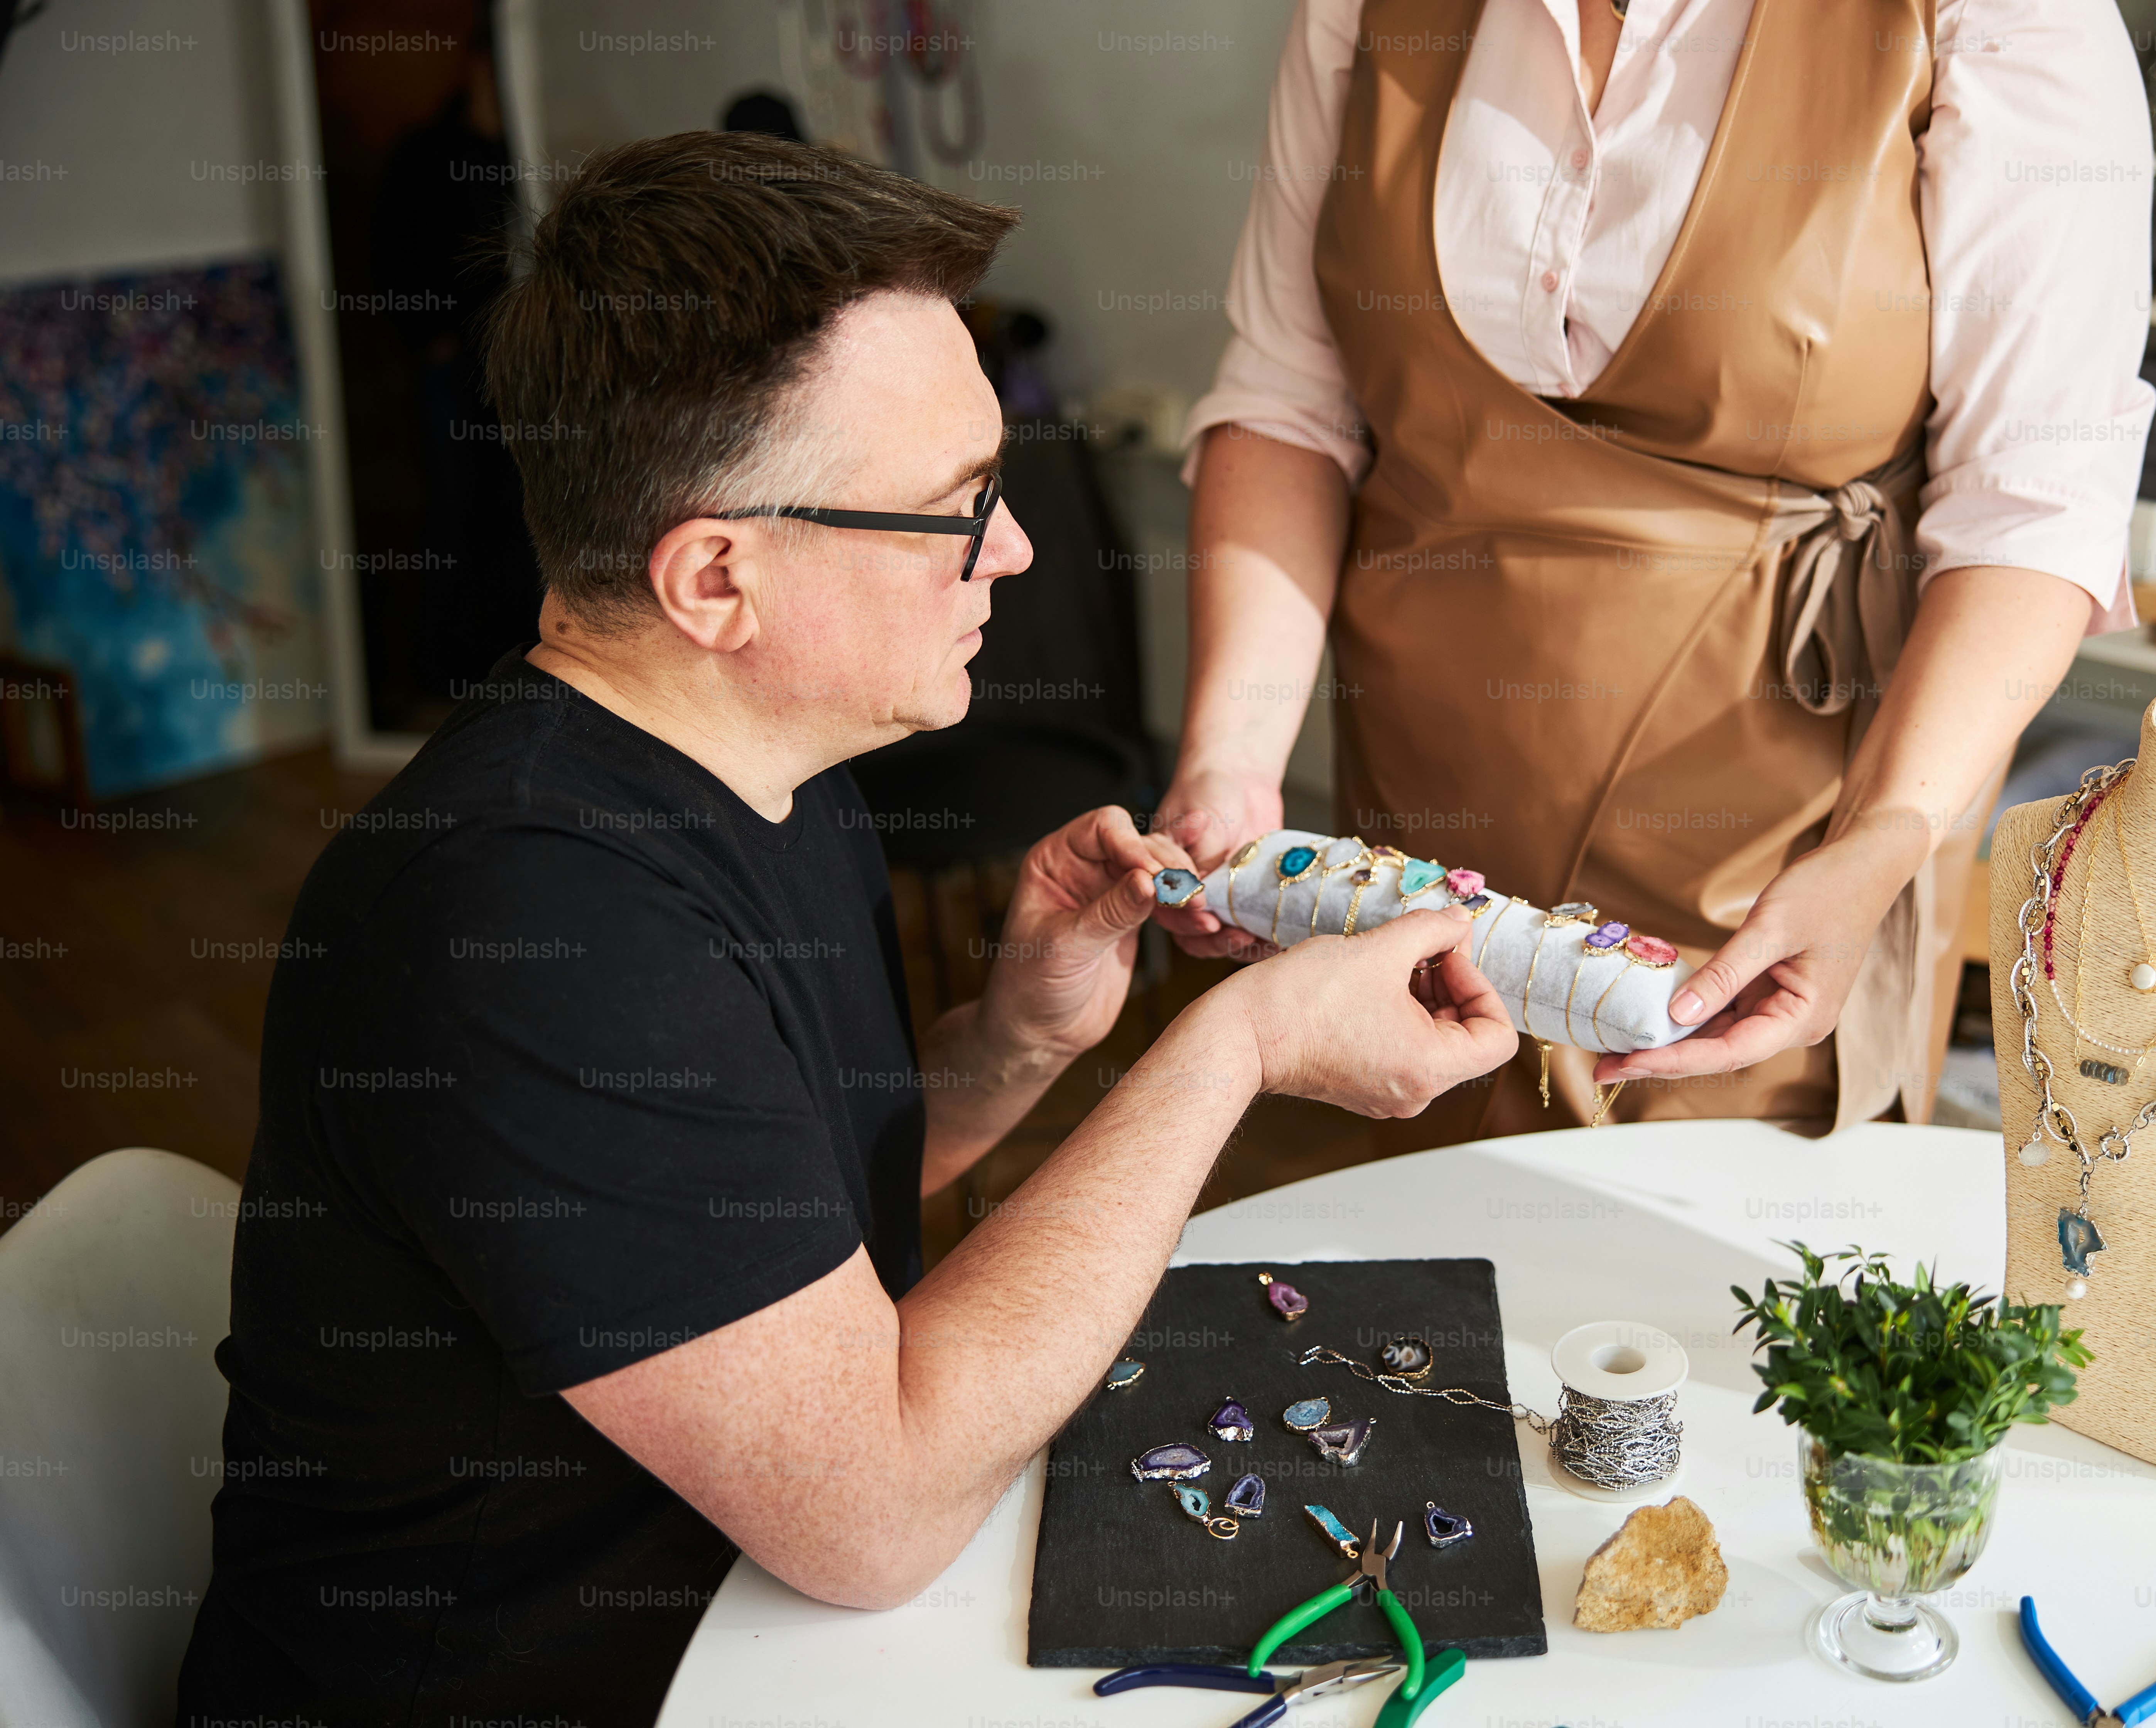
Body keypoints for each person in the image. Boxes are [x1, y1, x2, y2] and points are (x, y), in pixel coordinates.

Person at [176, 132, 1517, 1725]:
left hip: (752, 1627)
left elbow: (759, 1226)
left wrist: (1018, 1042)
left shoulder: (773, 764)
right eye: (955, 508)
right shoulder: (527, 935)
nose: (1011, 550)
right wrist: (1237, 1044)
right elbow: (872, 1510)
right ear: (717, 577)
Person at [1153, 0, 2156, 1139]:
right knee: (1393, 1258)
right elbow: (1291, 404)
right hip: (1419, 802)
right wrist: (1229, 762)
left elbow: (2034, 505)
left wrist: (1887, 837)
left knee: (1705, 1270)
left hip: (1780, 836)